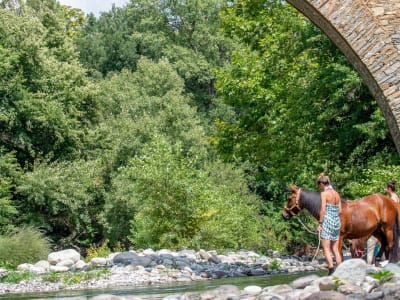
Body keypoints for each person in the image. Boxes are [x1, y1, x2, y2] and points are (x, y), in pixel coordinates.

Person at [367, 179, 399, 265]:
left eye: (386, 188)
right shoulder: (396, 196)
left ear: (389, 188)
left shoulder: (391, 199)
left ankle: (384, 258)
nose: (385, 189)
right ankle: (381, 257)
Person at [317, 173, 342, 275]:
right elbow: (340, 210)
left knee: (326, 249)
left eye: (319, 186)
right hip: (336, 222)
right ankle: (340, 271)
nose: (319, 188)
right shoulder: (336, 194)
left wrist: (320, 224)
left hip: (327, 221)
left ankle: (331, 271)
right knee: (335, 249)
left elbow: (323, 210)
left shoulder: (324, 194)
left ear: (322, 184)